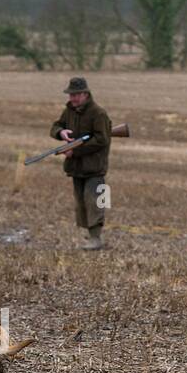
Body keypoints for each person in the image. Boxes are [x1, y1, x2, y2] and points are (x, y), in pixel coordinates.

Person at [50, 76, 112, 250]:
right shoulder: (69, 111)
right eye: (71, 95)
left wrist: (74, 150)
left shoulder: (98, 113)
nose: (72, 98)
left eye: (76, 95)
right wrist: (61, 132)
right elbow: (55, 126)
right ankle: (90, 237)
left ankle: (96, 238)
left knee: (96, 200)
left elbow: (102, 140)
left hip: (95, 166)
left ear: (85, 94)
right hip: (76, 167)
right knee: (81, 202)